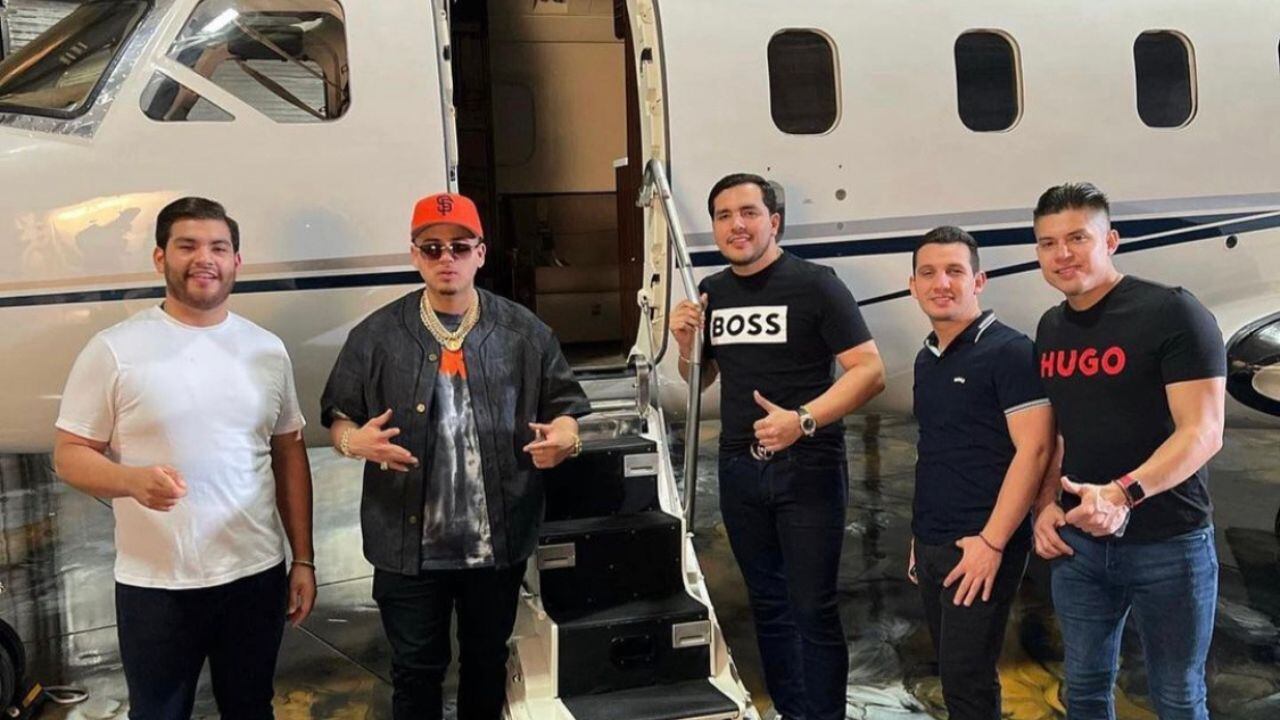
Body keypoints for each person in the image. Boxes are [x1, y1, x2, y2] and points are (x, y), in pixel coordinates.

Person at [320, 192, 590, 720]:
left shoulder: (523, 333)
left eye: (460, 247)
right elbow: (339, 418)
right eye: (432, 247)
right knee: (415, 670)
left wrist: (566, 438)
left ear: (480, 254)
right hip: (405, 545)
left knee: (486, 664)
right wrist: (354, 442)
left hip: (496, 543)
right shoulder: (376, 336)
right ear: (415, 255)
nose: (447, 258)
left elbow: (565, 407)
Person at [53, 197, 316, 719]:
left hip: (254, 575)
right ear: (160, 258)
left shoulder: (266, 350)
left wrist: (303, 558)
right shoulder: (114, 351)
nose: (204, 259)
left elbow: (288, 450)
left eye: (218, 247)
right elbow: (70, 453)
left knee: (251, 708)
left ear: (236, 261)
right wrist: (129, 480)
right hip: (157, 586)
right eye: (187, 246)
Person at [669, 173, 885, 720]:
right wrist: (686, 342)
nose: (736, 225)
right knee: (768, 606)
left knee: (812, 608)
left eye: (748, 212)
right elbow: (701, 380)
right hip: (739, 467)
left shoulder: (816, 285)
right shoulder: (713, 291)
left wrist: (803, 420)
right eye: (723, 216)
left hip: (807, 464)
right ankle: (792, 711)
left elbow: (870, 370)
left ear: (774, 222)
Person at [1029, 183, 1226, 720]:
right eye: (1048, 243)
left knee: (1177, 695)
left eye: (1077, 238)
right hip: (1080, 547)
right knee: (1085, 687)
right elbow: (1061, 431)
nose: (1062, 254)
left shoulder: (1172, 312)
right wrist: (1045, 505)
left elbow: (1204, 431)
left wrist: (1121, 495)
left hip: (1170, 543)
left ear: (1111, 240)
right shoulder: (1051, 326)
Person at [906, 226, 1053, 719]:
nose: (941, 283)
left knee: (968, 683)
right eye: (928, 273)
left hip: (982, 543)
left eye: (954, 271)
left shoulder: (1009, 352)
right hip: (934, 541)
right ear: (913, 285)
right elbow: (934, 448)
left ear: (978, 280)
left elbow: (1035, 450)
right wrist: (920, 536)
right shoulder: (927, 358)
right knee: (953, 678)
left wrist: (992, 544)